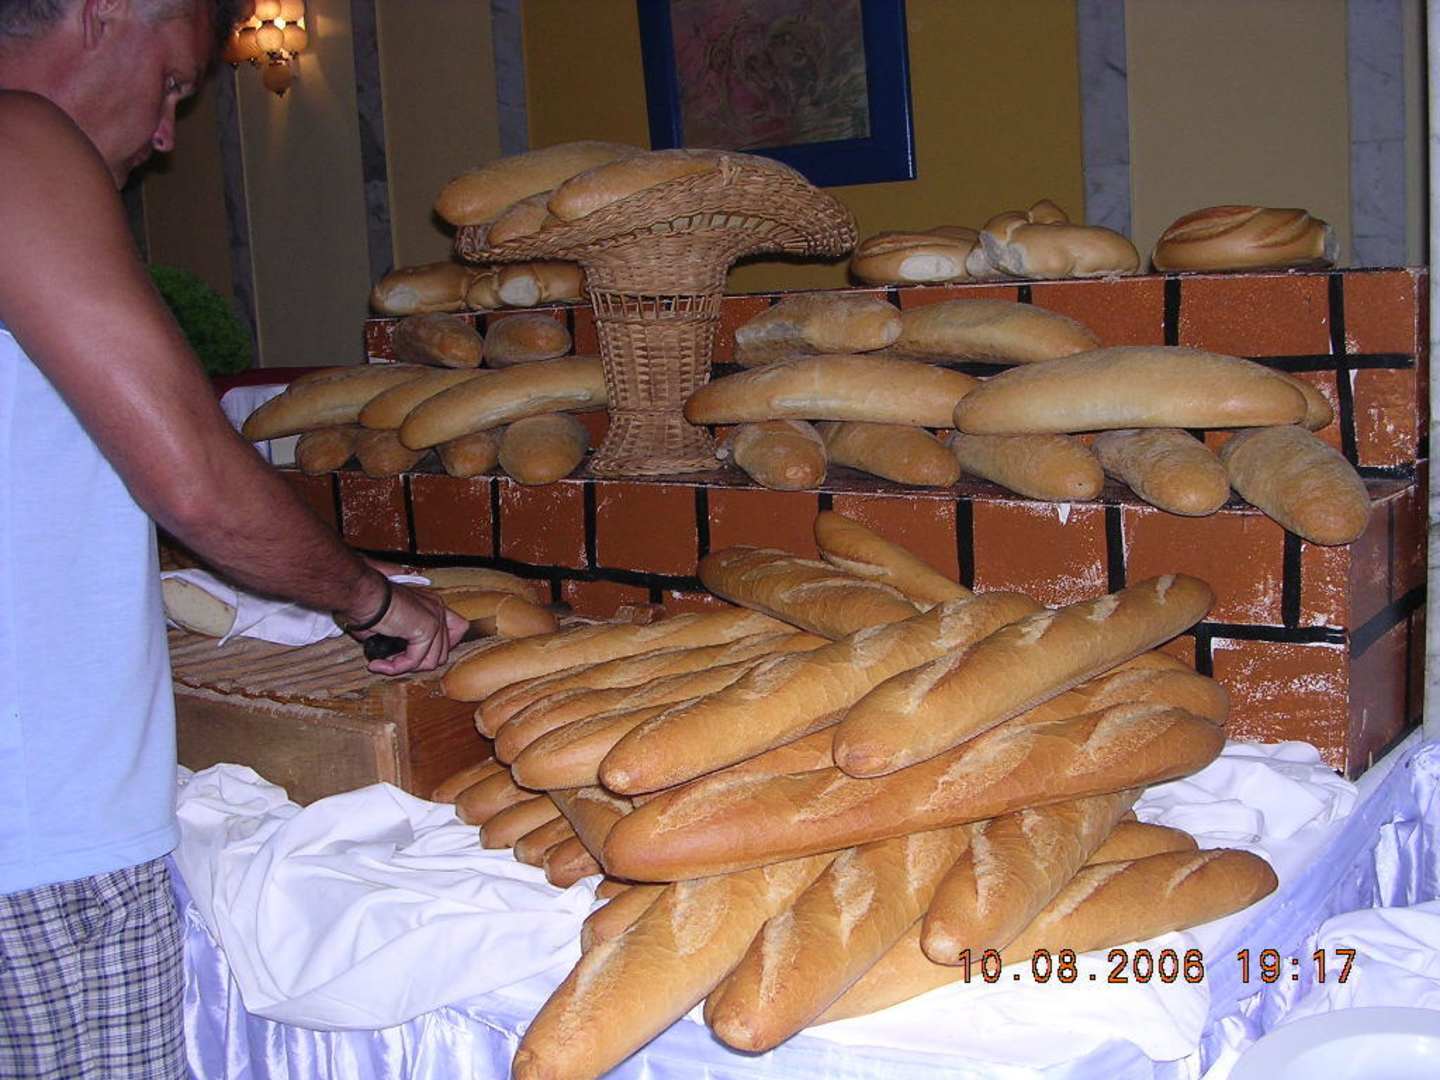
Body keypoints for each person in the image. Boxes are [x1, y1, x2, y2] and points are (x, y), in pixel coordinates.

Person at [0, 1, 467, 1075]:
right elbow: (196, 484)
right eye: (171, 81)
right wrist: (374, 600)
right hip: (41, 847)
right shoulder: (21, 140)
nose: (167, 135)